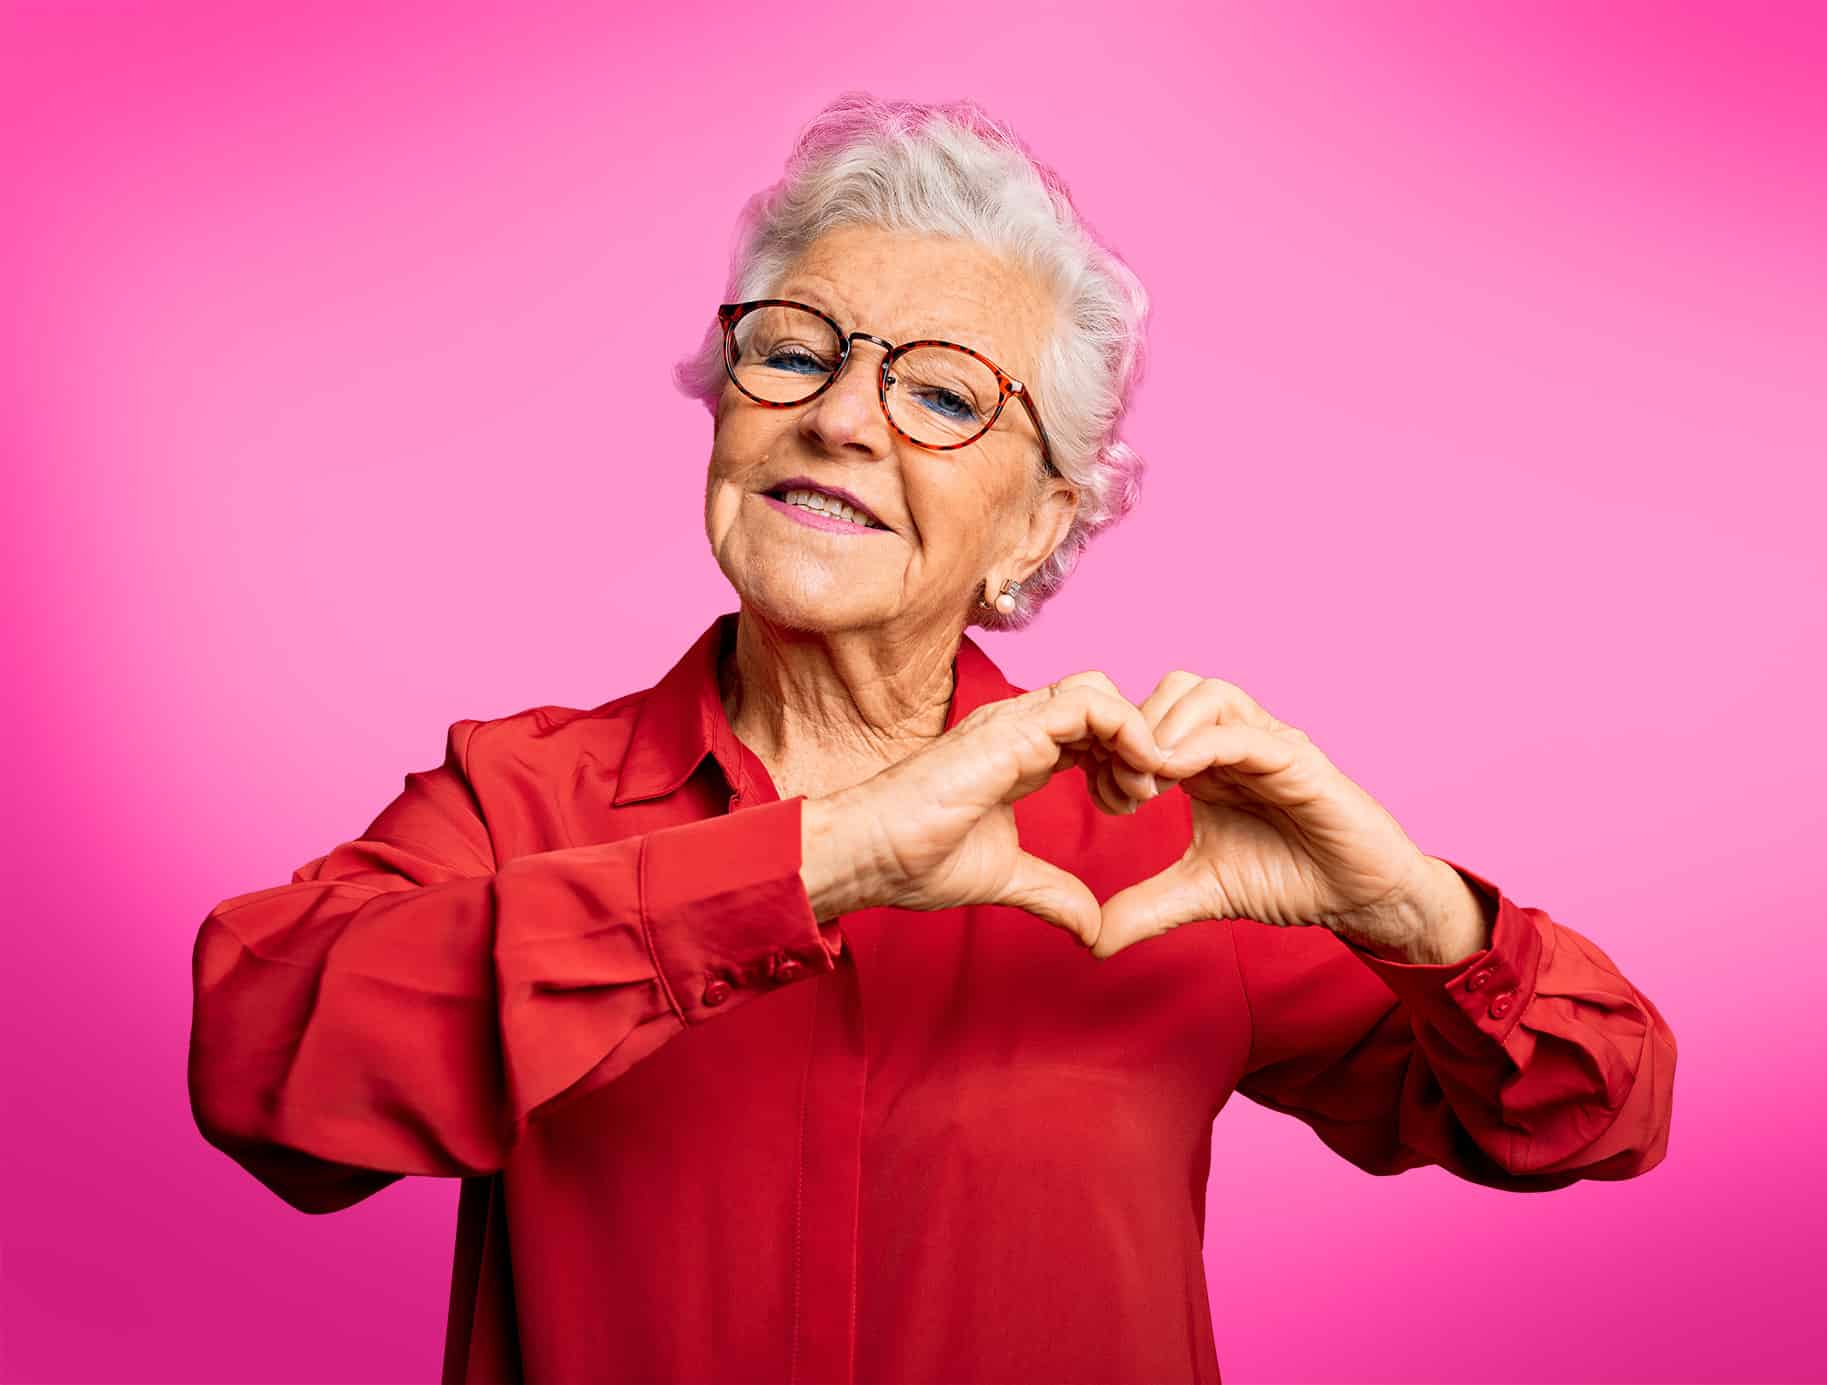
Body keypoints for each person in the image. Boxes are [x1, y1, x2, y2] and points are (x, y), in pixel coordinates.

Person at [185, 90, 1676, 1385]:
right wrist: (818, 860)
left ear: (1039, 520)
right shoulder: (521, 798)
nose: (841, 417)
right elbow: (262, 1062)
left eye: (944, 393)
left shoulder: (1163, 848)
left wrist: (1411, 906)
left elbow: (1588, 1107)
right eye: (795, 350)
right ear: (724, 407)